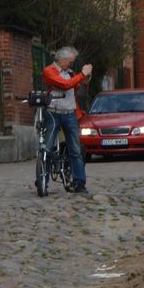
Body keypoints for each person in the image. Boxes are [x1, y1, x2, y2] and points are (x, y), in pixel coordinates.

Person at [42, 46, 93, 194]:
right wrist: (82, 74)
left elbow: (74, 86)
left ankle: (79, 182)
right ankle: (43, 180)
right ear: (61, 60)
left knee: (76, 150)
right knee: (48, 147)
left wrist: (85, 78)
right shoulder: (49, 71)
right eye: (70, 62)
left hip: (70, 113)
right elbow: (65, 85)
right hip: (53, 112)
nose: (71, 64)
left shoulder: (70, 73)